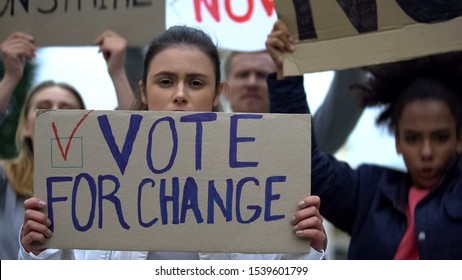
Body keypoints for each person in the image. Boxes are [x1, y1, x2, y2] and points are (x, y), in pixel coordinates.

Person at [19, 25, 327, 260]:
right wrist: (36, 251)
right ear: (143, 91)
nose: (180, 94)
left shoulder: (258, 183)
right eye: (165, 81)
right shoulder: (96, 181)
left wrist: (307, 250)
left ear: (217, 93)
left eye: (196, 82)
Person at [266, 19, 462, 259]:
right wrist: (286, 76)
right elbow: (306, 164)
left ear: (459, 139)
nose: (426, 152)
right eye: (412, 138)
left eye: (440, 137)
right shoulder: (367, 190)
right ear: (397, 141)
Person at [0, 31, 134, 260]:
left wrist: (118, 72)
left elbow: (136, 138)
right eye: (43, 106)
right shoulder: (5, 179)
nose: (55, 113)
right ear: (24, 126)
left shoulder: (101, 185)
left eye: (67, 108)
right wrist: (10, 77)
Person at [223, 48, 367, 154]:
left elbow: (351, 87)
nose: (251, 83)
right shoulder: (204, 144)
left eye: (262, 75)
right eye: (242, 75)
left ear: (279, 84)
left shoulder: (307, 143)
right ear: (223, 89)